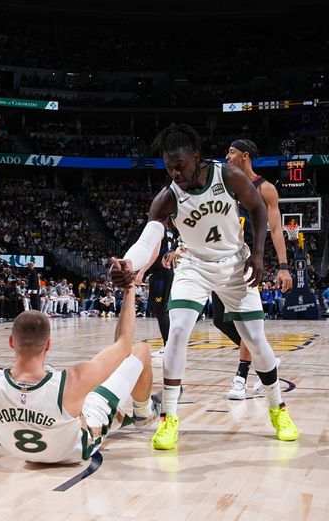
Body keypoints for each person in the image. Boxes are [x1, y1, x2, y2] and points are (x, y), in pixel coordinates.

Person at [111, 124, 299, 450]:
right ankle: (169, 417)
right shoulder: (167, 197)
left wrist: (257, 255)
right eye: (168, 167)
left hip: (234, 263)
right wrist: (128, 263)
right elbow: (149, 239)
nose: (174, 172)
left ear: (196, 157)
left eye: (179, 165)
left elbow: (256, 209)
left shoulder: (227, 176)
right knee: (179, 331)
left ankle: (277, 408)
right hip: (194, 265)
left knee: (254, 339)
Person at [0, 266, 160, 463]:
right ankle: (144, 412)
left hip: (18, 452)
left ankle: (113, 415)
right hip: (73, 450)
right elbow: (124, 344)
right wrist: (130, 289)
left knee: (67, 389)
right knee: (140, 350)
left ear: (11, 342)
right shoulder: (72, 381)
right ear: (48, 344)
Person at [220, 140, 293, 400]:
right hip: (223, 258)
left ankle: (241, 376)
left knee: (243, 321)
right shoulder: (224, 185)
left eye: (231, 152)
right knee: (221, 319)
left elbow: (276, 229)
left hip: (250, 260)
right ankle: (266, 358)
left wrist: (283, 267)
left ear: (245, 156)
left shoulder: (265, 189)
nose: (227, 156)